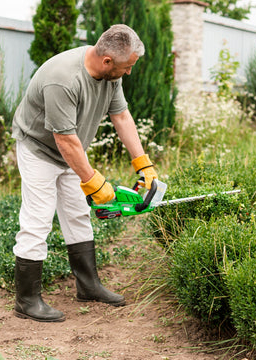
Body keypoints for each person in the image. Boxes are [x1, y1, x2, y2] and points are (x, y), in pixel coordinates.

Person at [11, 24, 158, 322]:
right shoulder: (63, 79)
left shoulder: (109, 75)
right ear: (107, 61)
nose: (128, 72)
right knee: (38, 220)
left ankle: (88, 285)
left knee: (78, 213)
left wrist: (142, 162)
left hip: (71, 150)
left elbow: (121, 116)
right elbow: (63, 140)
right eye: (127, 67)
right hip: (39, 148)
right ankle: (26, 300)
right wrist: (92, 180)